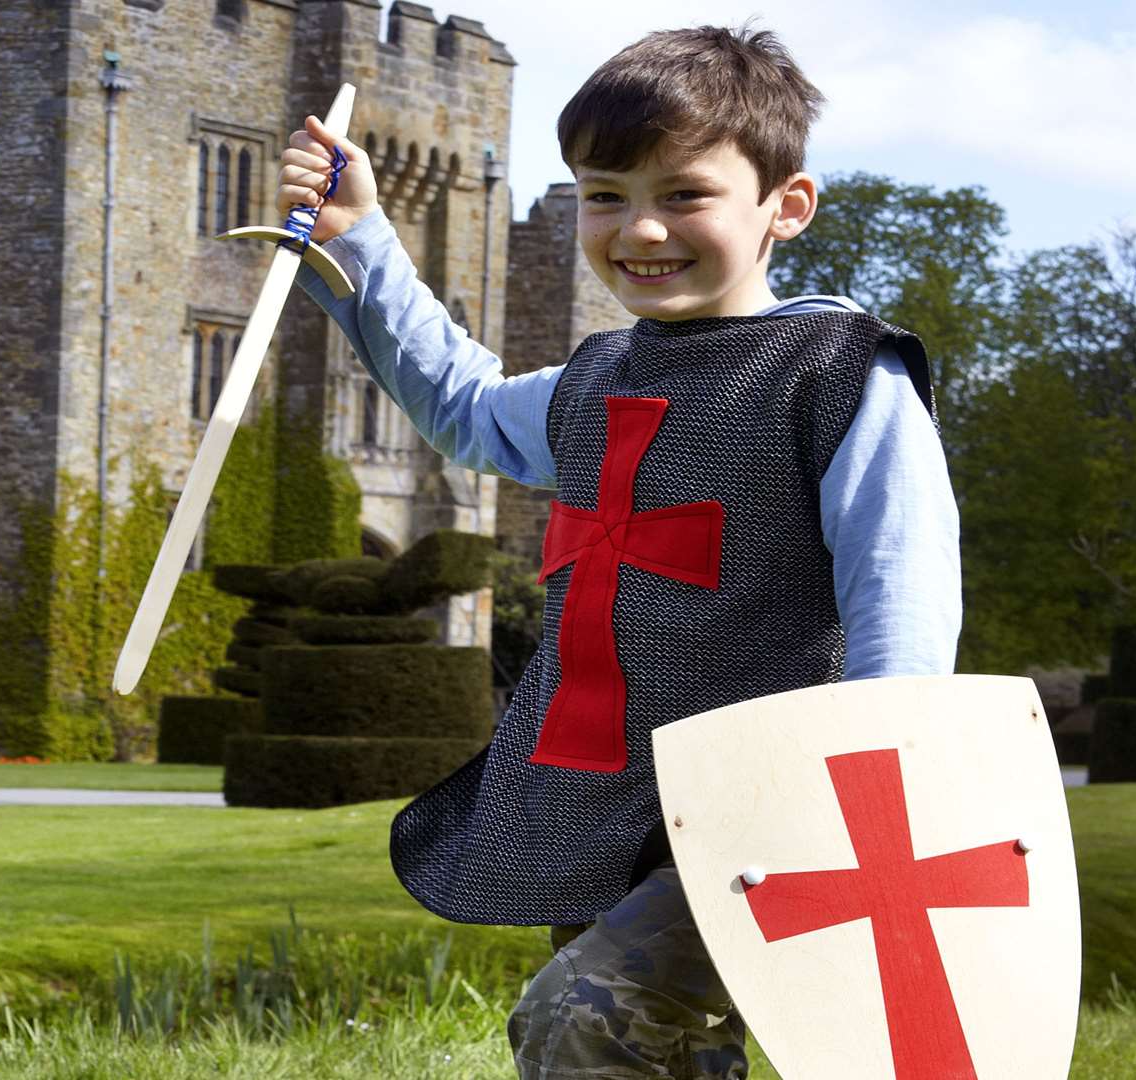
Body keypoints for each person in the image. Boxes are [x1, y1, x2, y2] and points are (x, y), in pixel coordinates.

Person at [277, 24, 960, 1080]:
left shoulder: (837, 374)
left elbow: (901, 608)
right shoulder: (595, 383)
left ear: (786, 207)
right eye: (605, 193)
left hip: (780, 808)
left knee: (587, 1012)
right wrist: (361, 236)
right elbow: (462, 402)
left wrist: (867, 812)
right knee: (655, 1049)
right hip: (610, 800)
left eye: (684, 195)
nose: (640, 228)